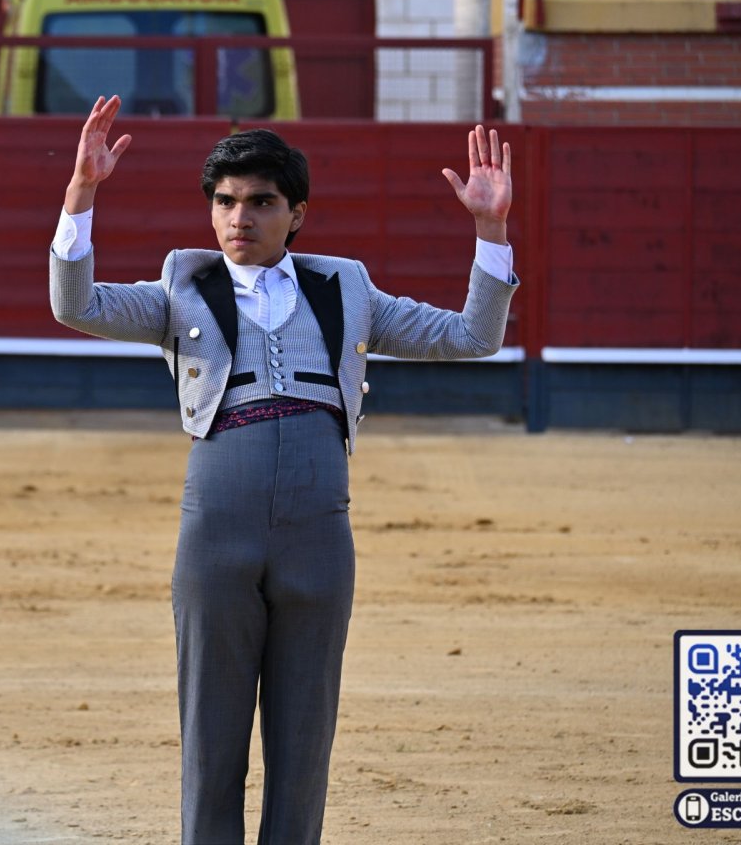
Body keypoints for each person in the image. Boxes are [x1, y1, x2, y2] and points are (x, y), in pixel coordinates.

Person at [49, 95, 518, 844]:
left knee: (305, 733)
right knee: (211, 730)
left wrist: (490, 231)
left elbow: (472, 337)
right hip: (217, 523)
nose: (240, 218)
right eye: (226, 202)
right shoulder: (180, 285)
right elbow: (76, 306)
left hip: (318, 527)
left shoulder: (347, 288)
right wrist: (81, 194)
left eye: (261, 202)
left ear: (295, 213)